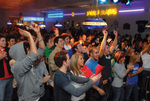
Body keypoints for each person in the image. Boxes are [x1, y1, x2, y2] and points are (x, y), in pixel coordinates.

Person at [9, 24, 53, 101]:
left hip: (39, 95)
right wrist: (29, 36)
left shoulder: (29, 60)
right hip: (28, 99)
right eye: (29, 50)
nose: (32, 51)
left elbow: (42, 49)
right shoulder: (17, 66)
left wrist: (38, 33)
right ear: (22, 53)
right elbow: (33, 55)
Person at [98, 29, 118, 101]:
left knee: (108, 96)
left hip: (109, 79)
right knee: (103, 97)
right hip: (103, 80)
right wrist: (105, 36)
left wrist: (116, 36)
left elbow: (114, 45)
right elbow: (102, 48)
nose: (108, 48)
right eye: (107, 48)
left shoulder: (108, 55)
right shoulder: (101, 56)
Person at [0, 35, 13, 101]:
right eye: (2, 41)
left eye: (5, 41)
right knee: (1, 98)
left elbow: (12, 60)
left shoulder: (9, 50)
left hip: (10, 77)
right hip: (1, 79)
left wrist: (7, 58)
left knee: (9, 96)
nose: (5, 42)